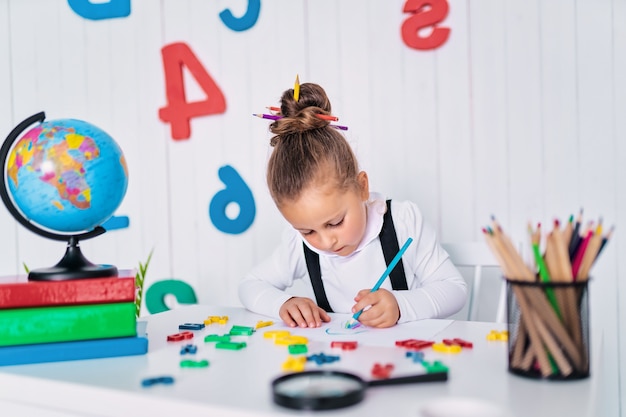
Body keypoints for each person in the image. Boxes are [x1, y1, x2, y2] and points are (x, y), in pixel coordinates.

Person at [238, 82, 467, 329]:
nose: (326, 242)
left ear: (362, 188)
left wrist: (401, 306)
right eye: (308, 231)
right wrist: (284, 303)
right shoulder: (296, 244)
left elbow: (455, 289)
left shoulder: (402, 221)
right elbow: (250, 285)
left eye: (335, 222)